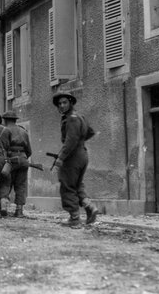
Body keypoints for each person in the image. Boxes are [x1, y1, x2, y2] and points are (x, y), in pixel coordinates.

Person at [52, 91, 99, 226]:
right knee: (77, 185)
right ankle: (90, 207)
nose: (61, 106)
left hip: (72, 156)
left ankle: (74, 218)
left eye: (64, 102)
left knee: (67, 185)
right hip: (82, 154)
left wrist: (61, 158)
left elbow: (70, 141)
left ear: (70, 103)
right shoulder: (80, 116)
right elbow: (90, 132)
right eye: (59, 104)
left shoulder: (71, 118)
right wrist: (80, 142)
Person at [1, 111, 32, 217]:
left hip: (10, 160)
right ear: (15, 120)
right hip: (23, 159)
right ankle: (19, 211)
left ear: (5, 120)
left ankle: (3, 207)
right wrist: (22, 157)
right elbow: (29, 151)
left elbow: (3, 148)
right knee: (21, 185)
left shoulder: (5, 131)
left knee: (5, 182)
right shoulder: (23, 131)